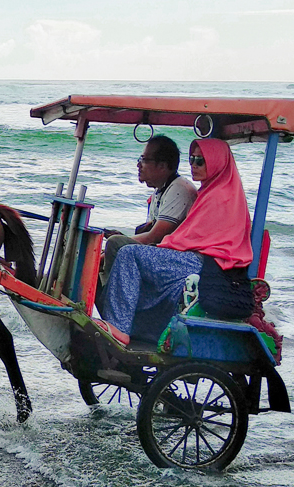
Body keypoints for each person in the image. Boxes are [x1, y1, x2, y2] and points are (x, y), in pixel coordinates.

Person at [98, 139, 253, 344]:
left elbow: (192, 238)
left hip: (205, 263)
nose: (194, 165)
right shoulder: (213, 191)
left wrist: (159, 247)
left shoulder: (220, 196)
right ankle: (130, 325)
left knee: (129, 253)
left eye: (201, 161)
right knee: (133, 253)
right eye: (192, 159)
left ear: (217, 162)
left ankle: (119, 327)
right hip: (198, 258)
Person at [100, 135, 197, 285]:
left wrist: (116, 245)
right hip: (161, 254)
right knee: (108, 248)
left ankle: (113, 300)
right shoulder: (161, 191)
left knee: (114, 244)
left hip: (175, 260)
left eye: (144, 160)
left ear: (163, 166)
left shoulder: (179, 189)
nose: (139, 165)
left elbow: (154, 237)